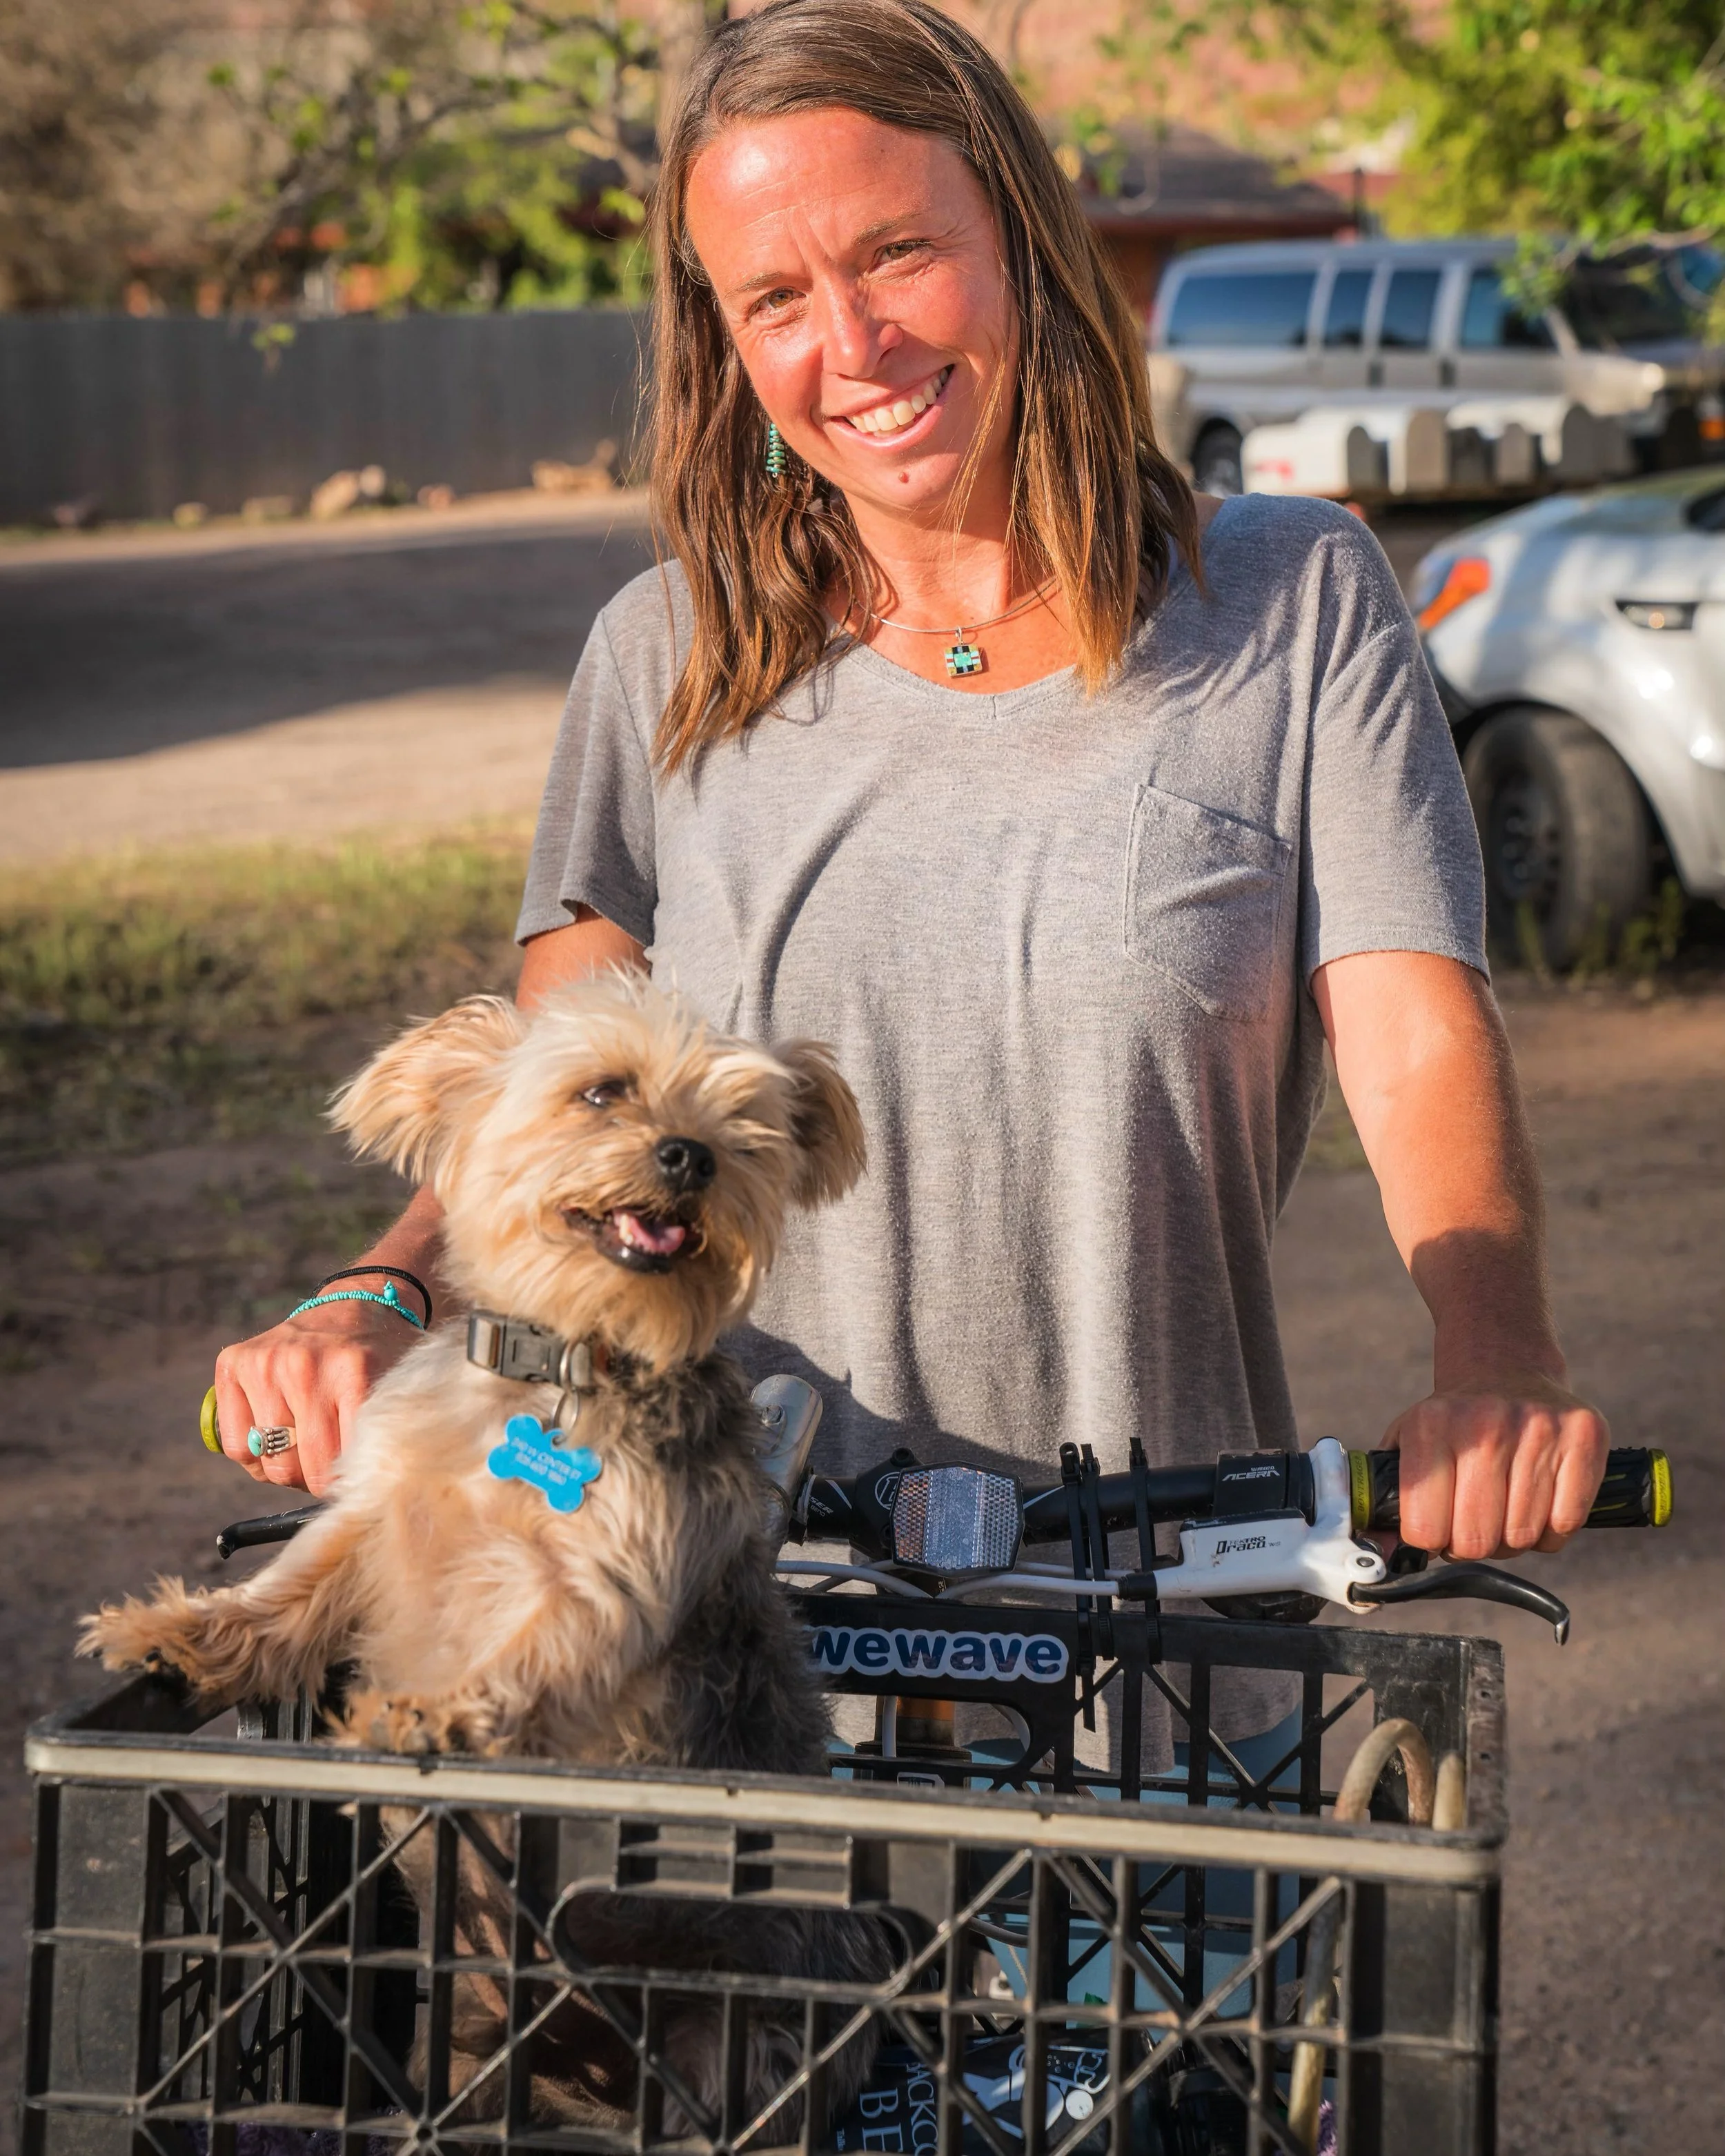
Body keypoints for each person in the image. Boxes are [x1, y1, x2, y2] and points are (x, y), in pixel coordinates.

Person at [212, 0, 1607, 1610]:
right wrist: (376, 1291)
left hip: (1157, 1603)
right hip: (715, 1607)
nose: (852, 343)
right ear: (725, 343)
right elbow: (543, 1112)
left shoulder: (1290, 601)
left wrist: (1493, 1355)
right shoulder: (662, 655)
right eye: (774, 298)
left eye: (894, 254)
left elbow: (1408, 1030)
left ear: (1020, 241)